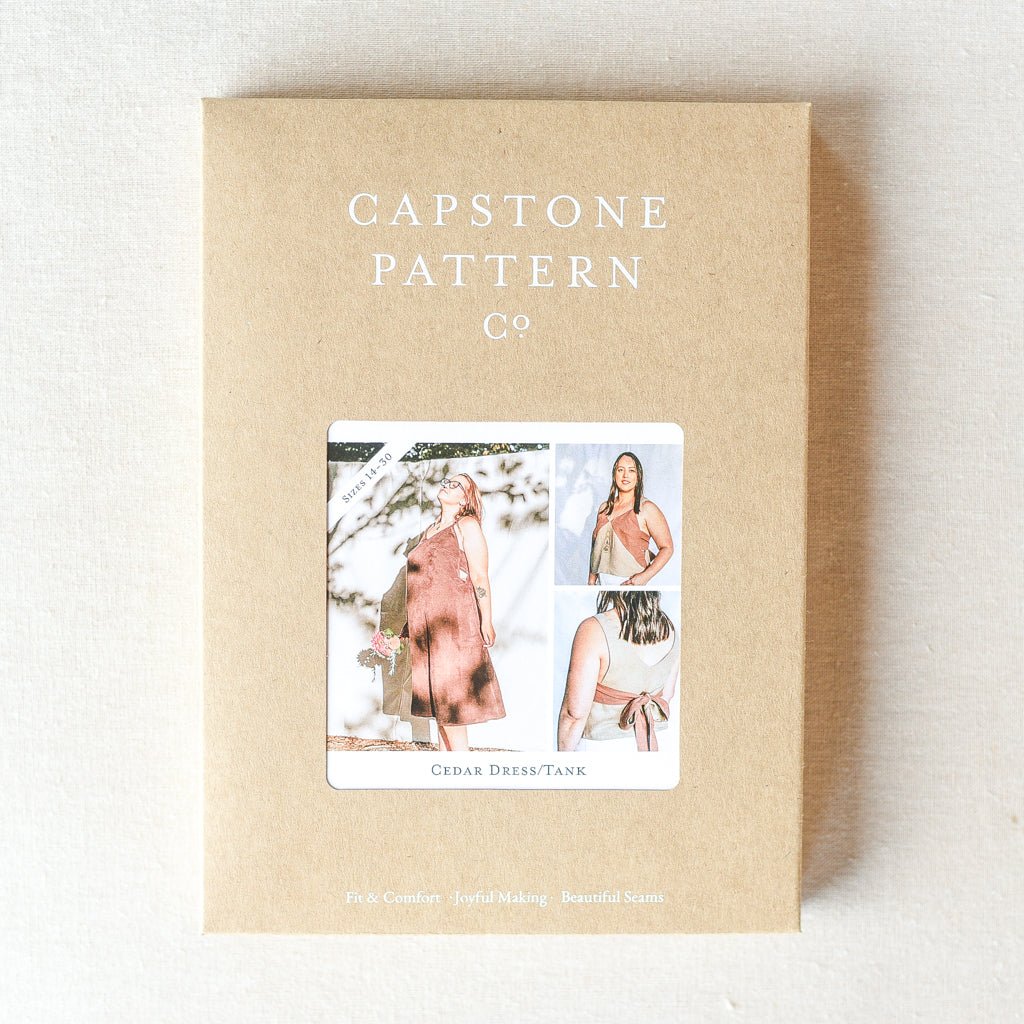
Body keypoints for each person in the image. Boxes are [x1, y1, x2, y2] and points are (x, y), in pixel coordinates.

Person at [404, 472, 505, 751]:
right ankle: (446, 764)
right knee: (440, 706)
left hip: (453, 624)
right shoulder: (430, 530)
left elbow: (480, 576)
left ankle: (461, 764)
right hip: (426, 626)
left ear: (465, 499)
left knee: (451, 703)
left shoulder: (466, 525)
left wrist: (486, 620)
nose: (448, 485)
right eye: (447, 481)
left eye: (456, 484)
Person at [557, 591, 679, 752]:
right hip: (656, 739)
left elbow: (574, 714)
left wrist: (563, 760)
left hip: (604, 746)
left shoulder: (593, 629)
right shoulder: (671, 629)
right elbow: (667, 695)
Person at [587, 451, 673, 585]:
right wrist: (591, 579)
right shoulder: (604, 508)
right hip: (602, 584)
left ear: (638, 476)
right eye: (620, 470)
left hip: (630, 584)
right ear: (614, 475)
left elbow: (667, 548)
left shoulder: (647, 508)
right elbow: (596, 545)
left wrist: (644, 577)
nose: (625, 475)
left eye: (631, 470)